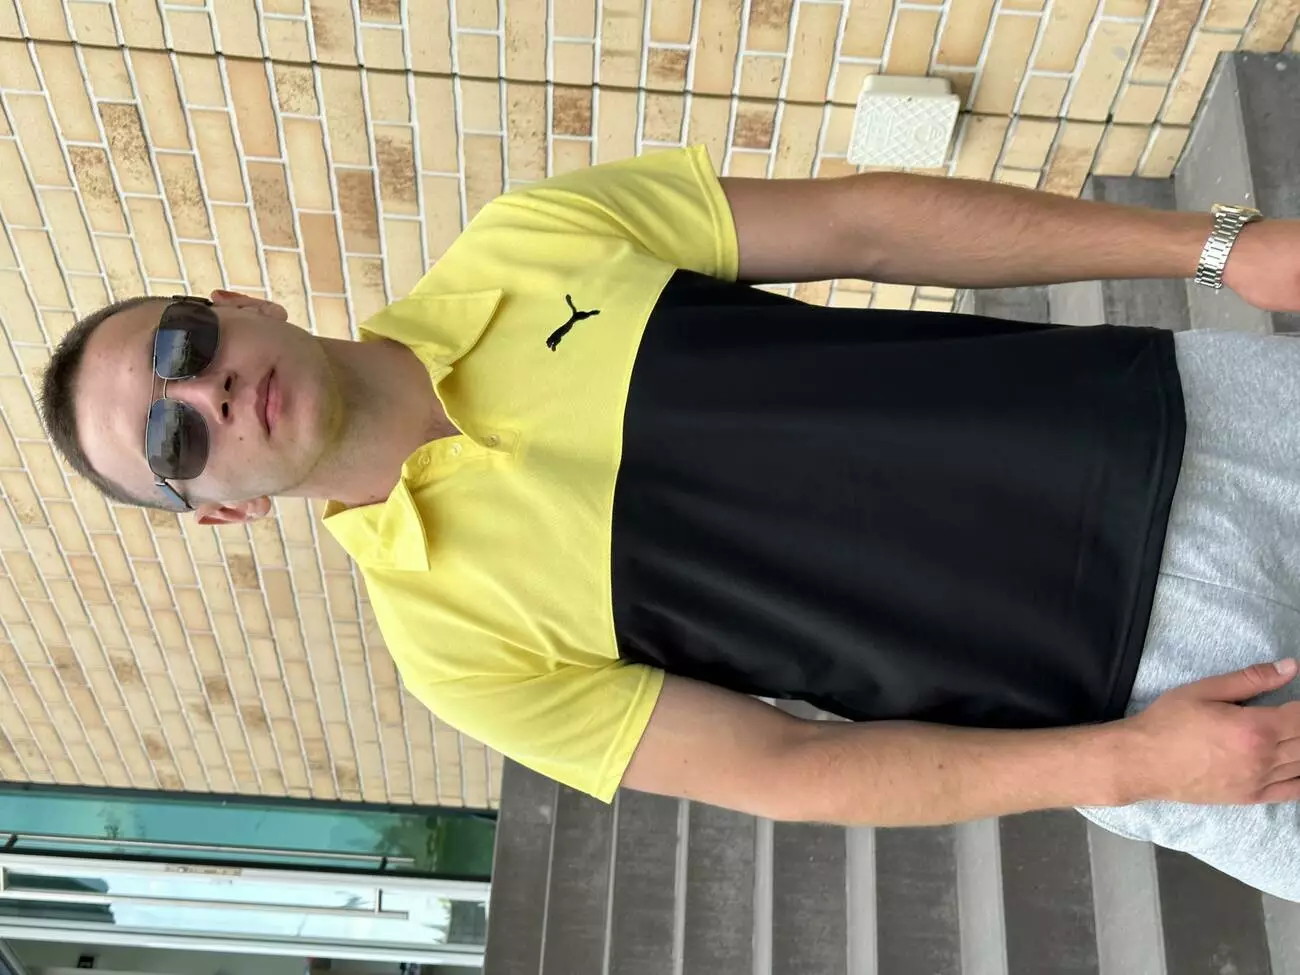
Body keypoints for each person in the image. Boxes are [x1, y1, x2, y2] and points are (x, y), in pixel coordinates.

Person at [38, 146, 1300, 900]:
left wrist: (1215, 246)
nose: (204, 397)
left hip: (1187, 421)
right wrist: (1129, 770)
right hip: (1165, 697)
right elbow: (788, 771)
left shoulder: (528, 240)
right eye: (172, 443)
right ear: (222, 510)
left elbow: (864, 222)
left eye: (180, 349)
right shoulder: (452, 649)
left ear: (237, 302)